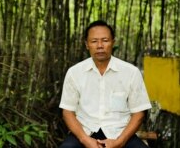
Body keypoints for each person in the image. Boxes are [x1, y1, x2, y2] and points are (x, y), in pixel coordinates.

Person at [59, 20, 152, 148]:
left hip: (121, 133)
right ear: (87, 44)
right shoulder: (75, 72)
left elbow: (139, 113)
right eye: (94, 41)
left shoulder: (131, 72)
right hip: (85, 132)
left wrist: (120, 141)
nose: (100, 45)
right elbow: (67, 111)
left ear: (113, 42)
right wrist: (85, 140)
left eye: (105, 40)